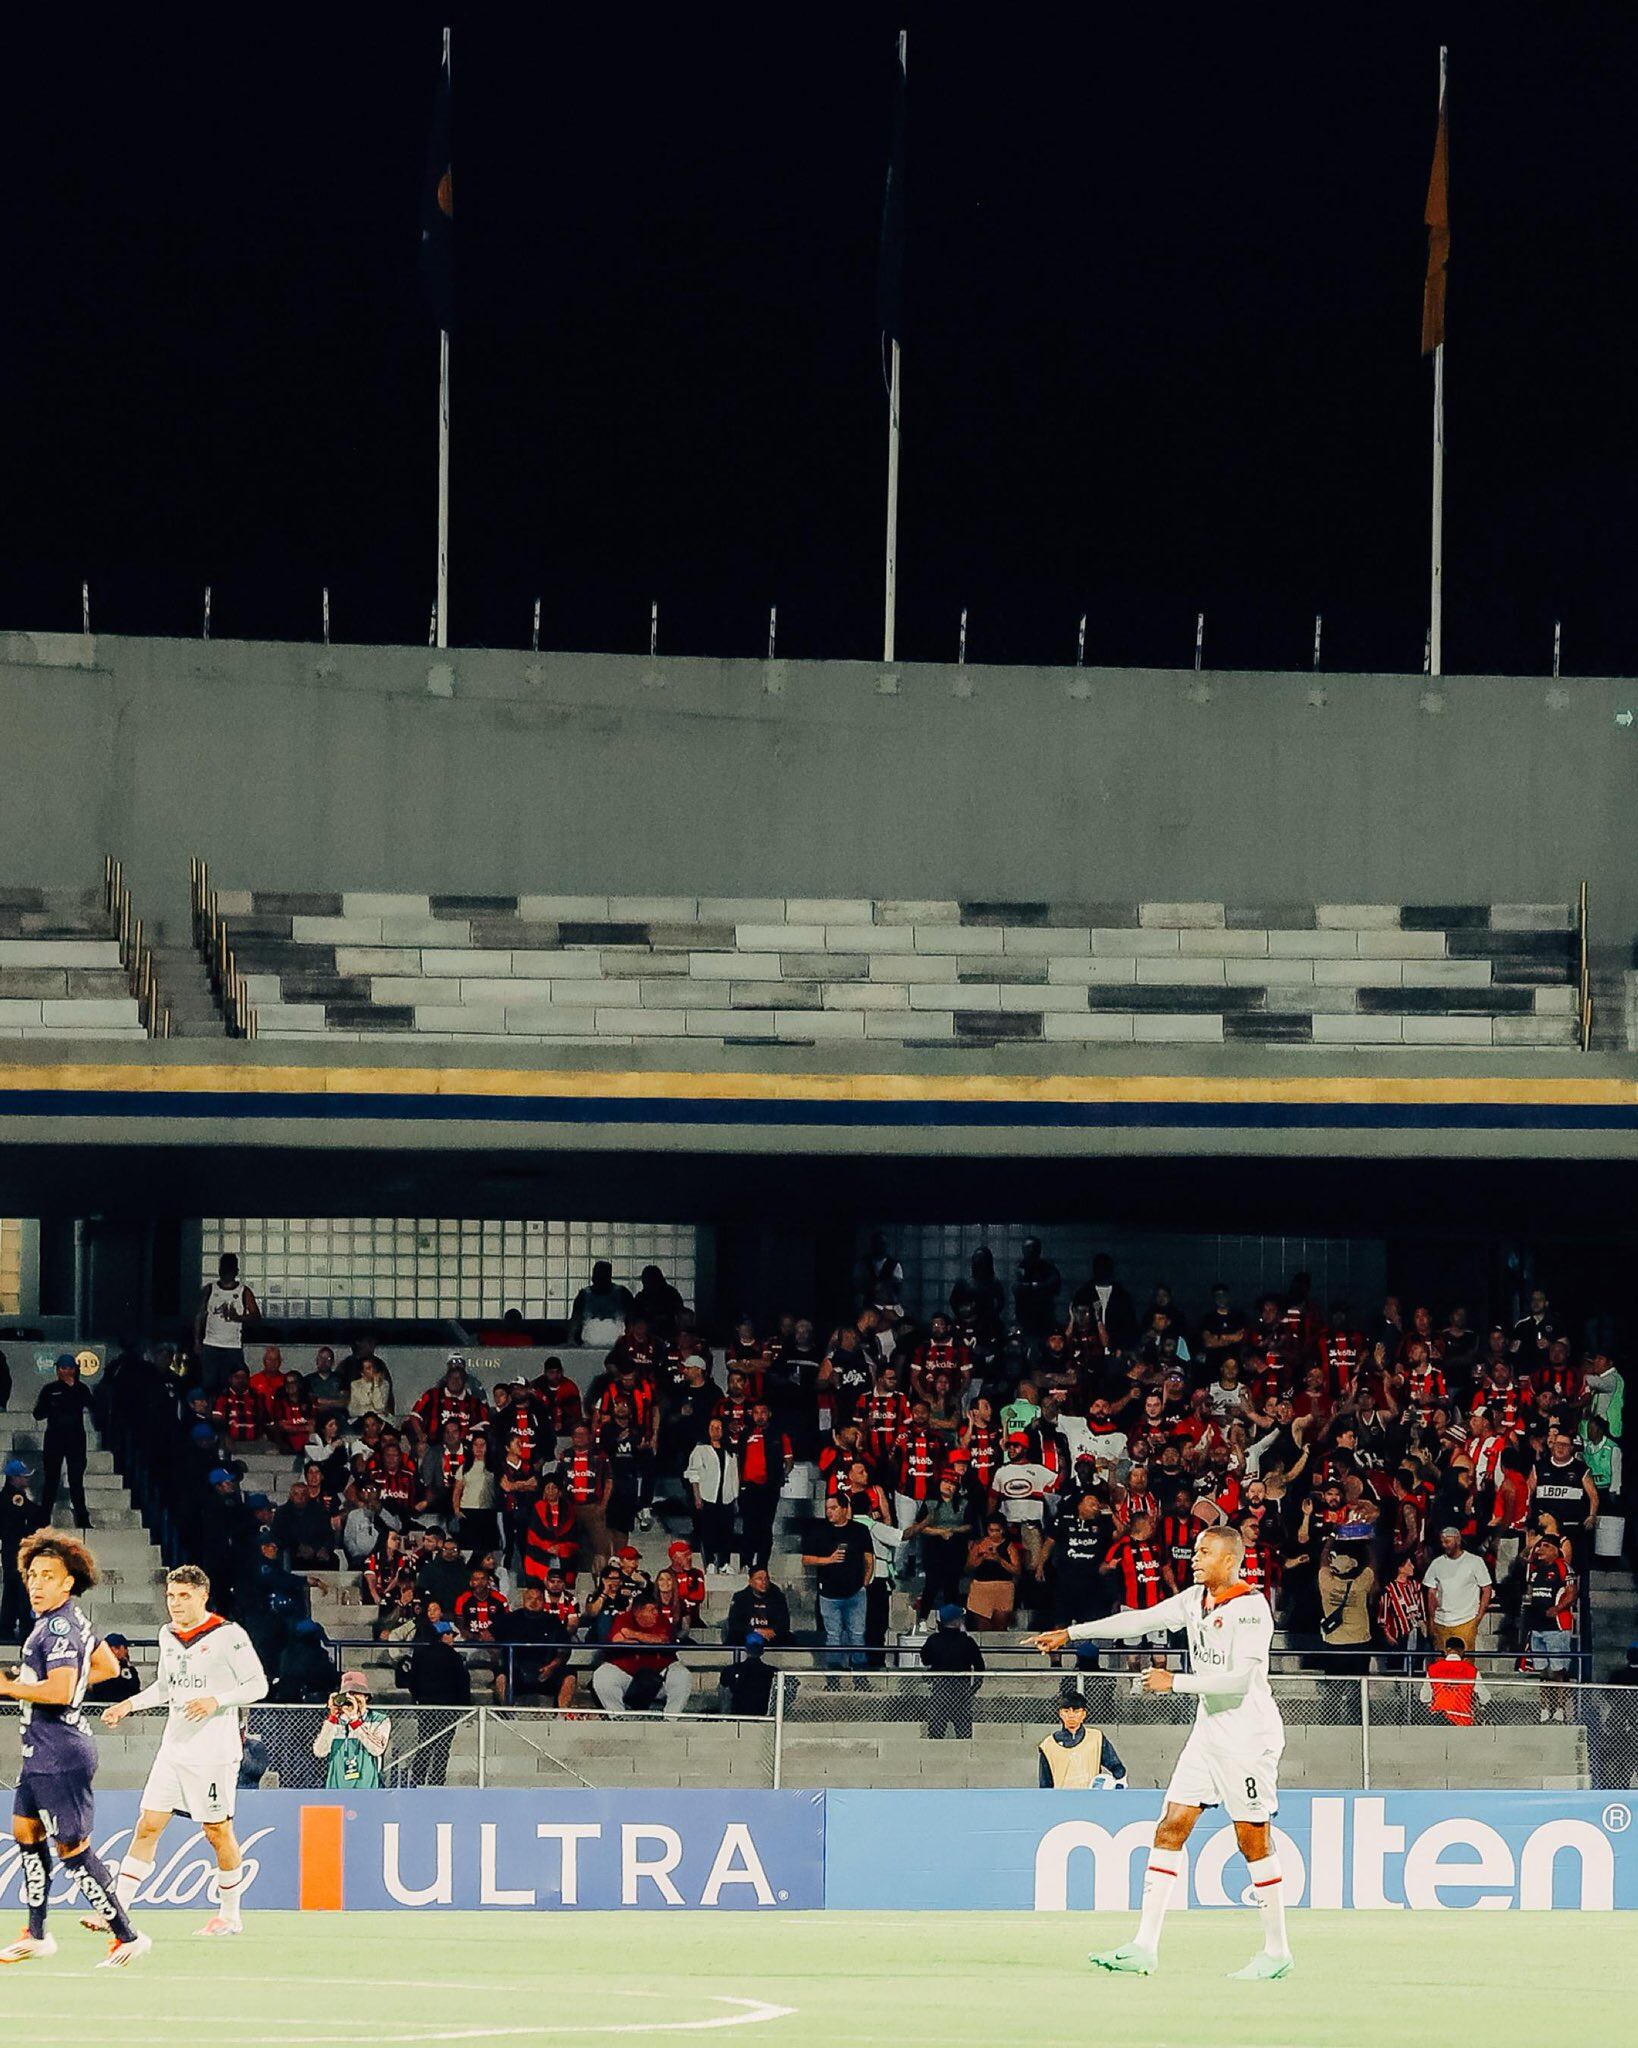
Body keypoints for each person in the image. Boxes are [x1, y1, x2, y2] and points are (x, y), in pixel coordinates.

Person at [1027, 1524, 1292, 1981]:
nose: (1195, 1558)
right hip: (1208, 1731)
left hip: (1247, 1737)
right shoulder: (1194, 1600)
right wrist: (1070, 1633)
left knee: (1251, 1836)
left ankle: (1276, 1951)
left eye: (1205, 1552)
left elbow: (1239, 1681)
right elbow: (1139, 1619)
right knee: (1171, 1825)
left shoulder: (1251, 1610)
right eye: (1196, 1551)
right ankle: (1144, 1946)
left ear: (1230, 1560)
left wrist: (1176, 1682)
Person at [0, 1532, 150, 1966]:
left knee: (72, 1848)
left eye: (49, 1576)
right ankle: (37, 1932)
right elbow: (105, 1665)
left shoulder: (58, 1626)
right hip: (41, 1751)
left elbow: (64, 1690)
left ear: (68, 1583)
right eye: (32, 1575)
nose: (37, 1583)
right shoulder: (68, 1621)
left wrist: (10, 1686)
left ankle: (128, 1936)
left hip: (59, 1752)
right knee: (27, 1832)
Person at [98, 1564, 269, 1936]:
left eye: (184, 1596)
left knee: (216, 1832)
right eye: (171, 1596)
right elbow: (165, 1687)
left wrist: (217, 1700)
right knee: (148, 1825)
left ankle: (230, 1915)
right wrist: (127, 1705)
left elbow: (258, 1686)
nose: (175, 1603)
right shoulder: (168, 1634)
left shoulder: (228, 1635)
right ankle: (116, 1914)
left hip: (214, 1753)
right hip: (173, 1750)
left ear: (203, 1596)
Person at [801, 1492, 875, 1679]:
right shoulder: (819, 1530)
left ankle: (860, 1676)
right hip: (829, 1593)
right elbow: (806, 1559)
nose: (829, 1512)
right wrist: (828, 1560)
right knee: (833, 1636)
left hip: (855, 1592)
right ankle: (833, 1676)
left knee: (857, 1634)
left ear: (844, 1509)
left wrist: (865, 1581)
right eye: (827, 1509)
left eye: (833, 1508)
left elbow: (868, 1557)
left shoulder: (859, 1530)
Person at [592, 1596, 693, 1717]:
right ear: (638, 1611)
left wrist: (632, 1634)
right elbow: (617, 1639)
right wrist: (647, 1639)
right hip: (627, 1676)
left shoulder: (661, 1619)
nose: (656, 1613)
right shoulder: (624, 1618)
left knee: (682, 1675)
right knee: (602, 1675)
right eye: (651, 1610)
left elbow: (661, 1639)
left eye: (656, 1609)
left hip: (659, 1677)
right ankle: (618, 1717)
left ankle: (670, 1719)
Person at [33, 1354, 94, 1528]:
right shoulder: (49, 1389)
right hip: (54, 1439)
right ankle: (43, 1519)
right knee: (51, 1479)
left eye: (68, 1368)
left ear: (74, 1370)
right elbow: (38, 1414)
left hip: (76, 1440)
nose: (64, 1371)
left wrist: (72, 1390)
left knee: (76, 1481)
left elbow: (92, 1404)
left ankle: (82, 1519)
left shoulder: (81, 1389)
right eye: (61, 1368)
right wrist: (50, 1405)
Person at [1037, 1680, 1128, 1787]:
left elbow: (1116, 1766)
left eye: (1076, 1711)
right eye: (1066, 1711)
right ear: (1060, 1713)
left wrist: (1120, 1783)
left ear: (1084, 1714)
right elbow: (1045, 1783)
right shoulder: (1048, 1745)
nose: (1071, 1716)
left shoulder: (1096, 1738)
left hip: (1090, 1800)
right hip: (1062, 1801)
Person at [312, 1670, 392, 1788]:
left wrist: (355, 1721)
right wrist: (333, 1717)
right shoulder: (334, 1722)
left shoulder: (379, 1720)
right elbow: (320, 1752)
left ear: (366, 1696)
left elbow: (377, 1749)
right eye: (348, 1695)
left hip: (367, 1789)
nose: (352, 1699)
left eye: (357, 1694)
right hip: (337, 1788)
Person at [1421, 1525, 1492, 1656]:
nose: (1444, 1545)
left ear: (1458, 1540)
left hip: (1466, 1621)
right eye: (1442, 1542)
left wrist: (1479, 1616)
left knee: (1465, 1662)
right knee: (1441, 1663)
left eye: (1447, 1542)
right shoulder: (1437, 1563)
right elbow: (1431, 1592)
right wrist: (1431, 1621)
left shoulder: (1475, 1562)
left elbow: (1487, 1589)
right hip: (1441, 1622)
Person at [194, 1252, 258, 1394]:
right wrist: (197, 1341)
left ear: (236, 1271)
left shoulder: (243, 1291)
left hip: (232, 1346)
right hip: (211, 1344)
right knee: (209, 1386)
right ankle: (212, 1414)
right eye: (224, 1268)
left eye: (230, 1268)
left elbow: (256, 1316)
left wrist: (238, 1317)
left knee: (232, 1387)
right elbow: (200, 1316)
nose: (227, 1272)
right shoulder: (210, 1289)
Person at [919, 1603, 985, 1739]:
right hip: (962, 1690)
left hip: (939, 1688)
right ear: (958, 1621)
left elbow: (925, 1659)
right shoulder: (967, 1641)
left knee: (936, 1730)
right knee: (964, 1731)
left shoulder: (934, 1640)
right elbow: (980, 1666)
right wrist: (973, 1689)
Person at [1, 1458, 45, 1643]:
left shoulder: (6, 1496)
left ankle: (6, 1628)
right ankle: (24, 1629)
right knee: (20, 1591)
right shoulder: (15, 1498)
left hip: (11, 1550)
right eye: (23, 1476)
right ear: (14, 1478)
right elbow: (34, 1514)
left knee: (11, 1590)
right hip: (16, 1551)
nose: (26, 1480)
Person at [1421, 1637, 1490, 1726]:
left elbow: (1424, 1697)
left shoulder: (1433, 1669)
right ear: (1462, 1652)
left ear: (1446, 1651)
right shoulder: (1471, 1670)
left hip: (1438, 1719)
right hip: (1464, 1719)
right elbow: (1485, 1697)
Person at [85, 1633, 141, 1704]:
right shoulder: (99, 1669)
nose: (115, 1651)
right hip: (101, 1707)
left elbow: (134, 1689)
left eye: (117, 1648)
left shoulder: (129, 1670)